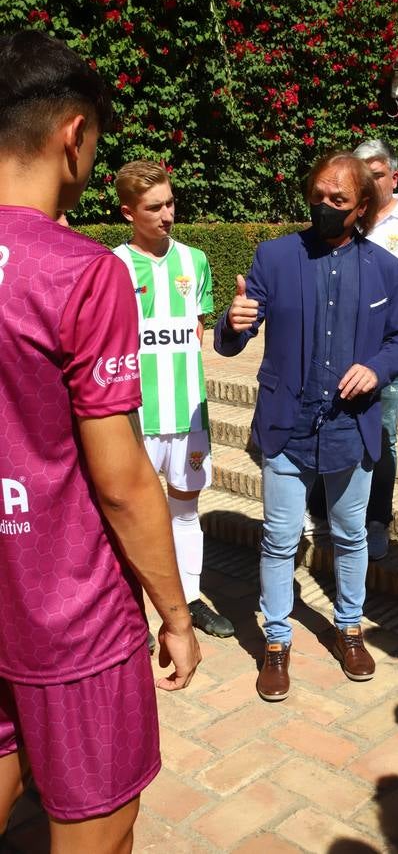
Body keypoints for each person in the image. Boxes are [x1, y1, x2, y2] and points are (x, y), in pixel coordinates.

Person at [0, 31, 201, 851]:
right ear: (73, 134)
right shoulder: (82, 270)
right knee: (103, 829)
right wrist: (177, 613)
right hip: (69, 611)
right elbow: (121, 481)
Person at [214, 151, 398, 702]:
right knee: (279, 539)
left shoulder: (385, 270)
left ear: (363, 206)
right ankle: (276, 641)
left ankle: (350, 627)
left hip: (351, 429)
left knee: (349, 537)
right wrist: (233, 324)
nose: (325, 207)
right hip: (286, 425)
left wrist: (375, 368)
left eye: (339, 201)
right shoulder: (275, 258)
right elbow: (233, 337)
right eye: (318, 196)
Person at [306, 139, 398, 559]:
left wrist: (383, 301)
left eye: (377, 173)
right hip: (333, 352)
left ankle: (376, 520)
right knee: (322, 429)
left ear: (393, 176)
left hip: (387, 355)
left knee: (379, 439)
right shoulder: (340, 220)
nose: (369, 179)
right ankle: (324, 515)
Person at [113, 161, 234, 639]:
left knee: (185, 510)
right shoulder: (113, 265)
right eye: (153, 207)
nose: (166, 215)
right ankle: (132, 615)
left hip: (189, 412)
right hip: (136, 415)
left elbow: (196, 330)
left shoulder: (195, 261)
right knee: (130, 516)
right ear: (128, 213)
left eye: (170, 203)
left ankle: (188, 601)